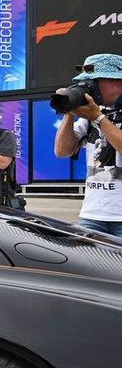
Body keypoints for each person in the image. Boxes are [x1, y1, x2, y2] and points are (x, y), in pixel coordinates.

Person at [53, 53, 122, 236]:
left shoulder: (95, 115)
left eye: (94, 81)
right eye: (86, 82)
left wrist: (98, 118)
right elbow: (62, 151)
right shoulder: (93, 114)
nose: (89, 87)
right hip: (92, 214)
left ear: (118, 82)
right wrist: (69, 111)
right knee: (90, 264)